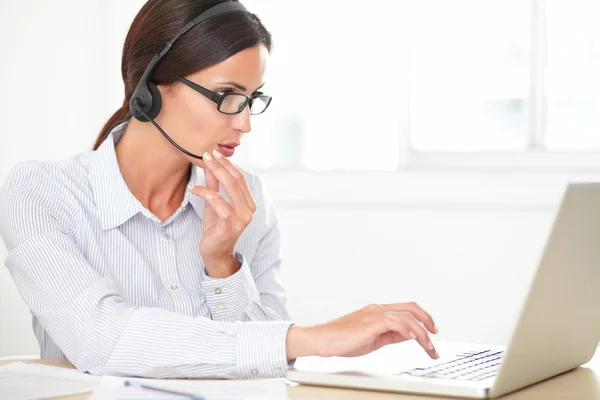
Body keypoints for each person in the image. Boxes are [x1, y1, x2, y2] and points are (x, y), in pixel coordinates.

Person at [0, 0, 439, 379]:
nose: (244, 122)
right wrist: (311, 339)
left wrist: (223, 265)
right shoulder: (41, 194)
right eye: (226, 95)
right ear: (150, 89)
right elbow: (102, 339)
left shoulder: (248, 200)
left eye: (251, 98)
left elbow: (268, 369)